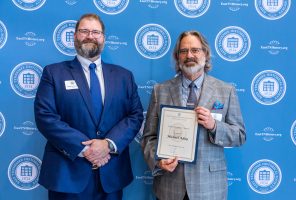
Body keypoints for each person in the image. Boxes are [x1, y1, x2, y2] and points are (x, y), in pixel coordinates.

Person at [34, 13, 143, 200]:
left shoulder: (124, 76)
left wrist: (107, 145)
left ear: (103, 38)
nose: (90, 36)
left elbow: (135, 116)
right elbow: (45, 116)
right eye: (84, 31)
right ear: (75, 36)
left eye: (95, 32)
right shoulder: (54, 73)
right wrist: (86, 149)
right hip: (67, 174)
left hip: (111, 175)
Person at [141, 30, 246, 200]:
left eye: (195, 50)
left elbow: (239, 135)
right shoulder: (160, 91)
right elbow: (148, 137)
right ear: (177, 57)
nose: (189, 55)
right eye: (183, 51)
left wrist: (214, 125)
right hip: (169, 187)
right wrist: (159, 162)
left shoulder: (226, 91)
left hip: (209, 188)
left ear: (205, 53)